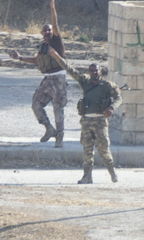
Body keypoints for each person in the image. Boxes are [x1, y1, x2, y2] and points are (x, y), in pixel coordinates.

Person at [47, 49, 121, 184]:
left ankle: (112, 172)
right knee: (87, 150)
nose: (94, 73)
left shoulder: (107, 85)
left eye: (96, 70)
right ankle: (87, 176)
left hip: (100, 122)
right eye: (91, 71)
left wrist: (111, 108)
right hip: (86, 122)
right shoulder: (85, 82)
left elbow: (118, 98)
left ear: (100, 71)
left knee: (103, 150)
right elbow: (69, 69)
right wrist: (56, 57)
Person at [9, 0, 67, 148]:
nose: (47, 32)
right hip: (47, 79)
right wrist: (20, 58)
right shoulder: (43, 47)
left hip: (58, 78)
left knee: (58, 108)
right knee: (36, 104)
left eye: (49, 30)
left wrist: (52, 8)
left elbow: (55, 23)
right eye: (44, 30)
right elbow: (36, 60)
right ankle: (49, 128)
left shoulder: (56, 41)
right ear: (41, 33)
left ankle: (59, 137)